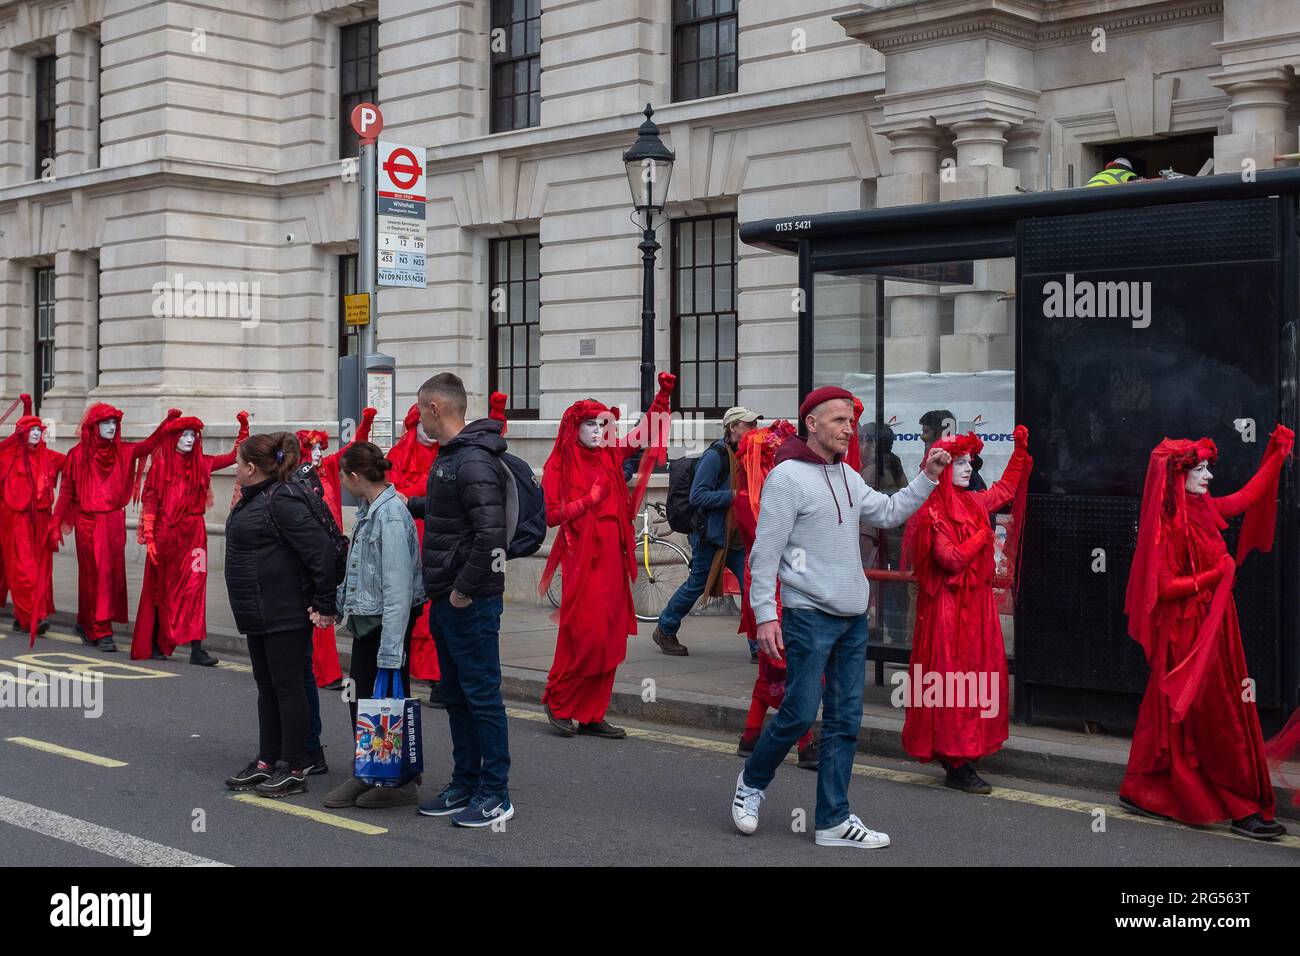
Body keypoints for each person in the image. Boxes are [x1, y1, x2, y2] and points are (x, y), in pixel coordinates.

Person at [730, 386, 948, 849]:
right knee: (798, 713)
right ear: (812, 423)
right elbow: (765, 553)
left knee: (846, 721)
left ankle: (833, 821)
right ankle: (751, 782)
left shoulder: (848, 478)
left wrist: (927, 477)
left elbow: (888, 512)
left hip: (851, 618)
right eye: (839, 420)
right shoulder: (787, 477)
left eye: (851, 421)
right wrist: (766, 616)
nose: (849, 428)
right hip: (808, 616)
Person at [1119, 426, 1294, 839]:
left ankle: (1145, 790)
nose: (1209, 476)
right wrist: (1215, 575)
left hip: (1214, 628)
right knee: (1215, 716)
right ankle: (1241, 806)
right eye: (1199, 469)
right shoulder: (1167, 525)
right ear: (1178, 476)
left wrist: (1276, 456)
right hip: (1188, 635)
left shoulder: (1202, 509)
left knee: (1178, 716)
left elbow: (1246, 497)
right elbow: (1163, 587)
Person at [538, 374, 676, 739]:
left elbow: (644, 434)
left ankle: (592, 711)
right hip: (584, 563)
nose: (599, 430)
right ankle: (561, 701)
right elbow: (550, 514)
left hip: (614, 560)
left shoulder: (611, 455)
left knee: (611, 638)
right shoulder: (559, 465)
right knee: (585, 635)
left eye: (604, 423)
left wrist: (662, 399)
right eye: (590, 423)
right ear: (574, 426)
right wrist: (589, 501)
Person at [900, 426, 1031, 793]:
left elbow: (1005, 489)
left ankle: (964, 752)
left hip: (975, 607)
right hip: (947, 611)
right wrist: (982, 537)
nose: (968, 468)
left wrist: (1019, 451)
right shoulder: (932, 511)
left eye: (970, 461)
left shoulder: (972, 502)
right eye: (960, 462)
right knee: (953, 681)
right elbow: (950, 559)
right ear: (941, 467)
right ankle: (956, 761)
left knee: (976, 678)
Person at [408, 374, 514, 827]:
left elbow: (491, 536)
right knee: (456, 696)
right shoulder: (451, 457)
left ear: (436, 408)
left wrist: (463, 590)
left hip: (470, 601)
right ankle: (465, 783)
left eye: (419, 411)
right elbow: (449, 513)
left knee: (482, 697)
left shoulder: (471, 459)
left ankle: (495, 793)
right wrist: (404, 502)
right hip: (448, 598)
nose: (418, 421)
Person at [223, 432, 339, 799]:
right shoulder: (256, 496)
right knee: (267, 687)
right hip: (259, 611)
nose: (234, 468)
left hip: (284, 611)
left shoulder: (282, 499)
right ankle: (267, 759)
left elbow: (320, 552)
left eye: (238, 462)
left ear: (252, 468)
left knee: (288, 690)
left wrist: (324, 604)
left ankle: (294, 765)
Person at [320, 442, 427, 810]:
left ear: (353, 476)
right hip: (371, 621)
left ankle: (393, 779)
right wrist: (334, 606)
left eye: (344, 479)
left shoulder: (391, 515)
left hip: (385, 624)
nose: (344, 486)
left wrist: (392, 649)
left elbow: (397, 587)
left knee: (379, 700)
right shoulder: (371, 511)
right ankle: (372, 771)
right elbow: (359, 574)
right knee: (366, 699)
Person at [389, 391, 510, 710]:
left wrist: (464, 587)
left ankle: (443, 681)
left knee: (481, 695)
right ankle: (439, 681)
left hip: (455, 564)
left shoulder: (461, 457)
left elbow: (488, 527)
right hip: (422, 548)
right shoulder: (408, 455)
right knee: (427, 619)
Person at [51, 404, 181, 652]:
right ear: (94, 427)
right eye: (106, 423)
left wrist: (168, 422)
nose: (112, 427)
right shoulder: (77, 454)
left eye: (114, 423)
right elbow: (67, 491)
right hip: (88, 522)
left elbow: (150, 444)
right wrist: (54, 522)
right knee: (95, 576)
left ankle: (86, 623)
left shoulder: (123, 451)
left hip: (114, 523)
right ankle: (101, 630)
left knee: (111, 577)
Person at [129, 411, 249, 665]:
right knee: (162, 591)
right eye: (183, 434)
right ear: (173, 437)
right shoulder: (160, 467)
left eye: (193, 434)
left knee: (195, 589)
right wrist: (149, 537)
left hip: (194, 535)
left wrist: (243, 428)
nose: (189, 439)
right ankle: (157, 642)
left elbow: (231, 457)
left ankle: (197, 648)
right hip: (166, 536)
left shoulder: (202, 463)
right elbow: (150, 503)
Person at [732, 418, 817, 768]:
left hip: (774, 580)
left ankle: (751, 735)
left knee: (772, 671)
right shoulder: (753, 497)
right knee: (791, 666)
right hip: (773, 586)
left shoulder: (761, 492)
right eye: (771, 456)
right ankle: (806, 742)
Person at [652, 405, 760, 658]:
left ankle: (758, 647)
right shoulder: (716, 456)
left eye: (755, 425)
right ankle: (665, 629)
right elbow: (698, 495)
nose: (755, 429)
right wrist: (735, 496)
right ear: (733, 428)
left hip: (735, 535)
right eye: (749, 425)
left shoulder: (747, 456)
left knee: (752, 587)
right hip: (710, 535)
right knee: (696, 584)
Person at [296, 405, 376, 690]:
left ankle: (323, 671)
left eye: (319, 449)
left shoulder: (330, 469)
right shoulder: (297, 480)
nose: (317, 454)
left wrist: (366, 422)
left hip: (331, 552)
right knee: (317, 613)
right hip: (309, 554)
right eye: (312, 449)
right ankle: (319, 670)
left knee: (325, 613)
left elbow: (354, 449)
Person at [0, 396, 64, 643]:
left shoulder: (49, 456)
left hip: (42, 521)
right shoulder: (7, 457)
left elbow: (75, 464)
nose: (37, 434)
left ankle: (25, 615)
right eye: (32, 430)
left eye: (39, 429)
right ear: (22, 433)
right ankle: (33, 618)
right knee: (23, 570)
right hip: (15, 520)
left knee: (38, 572)